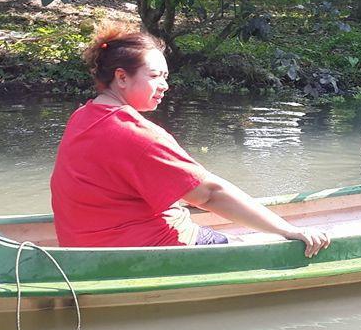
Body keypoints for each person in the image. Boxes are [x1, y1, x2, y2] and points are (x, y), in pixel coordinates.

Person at [50, 21, 329, 257]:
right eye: (155, 76)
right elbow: (209, 194)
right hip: (142, 251)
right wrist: (288, 229)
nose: (165, 85)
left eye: (166, 76)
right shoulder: (134, 133)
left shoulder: (84, 116)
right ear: (121, 78)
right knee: (244, 246)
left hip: (85, 249)